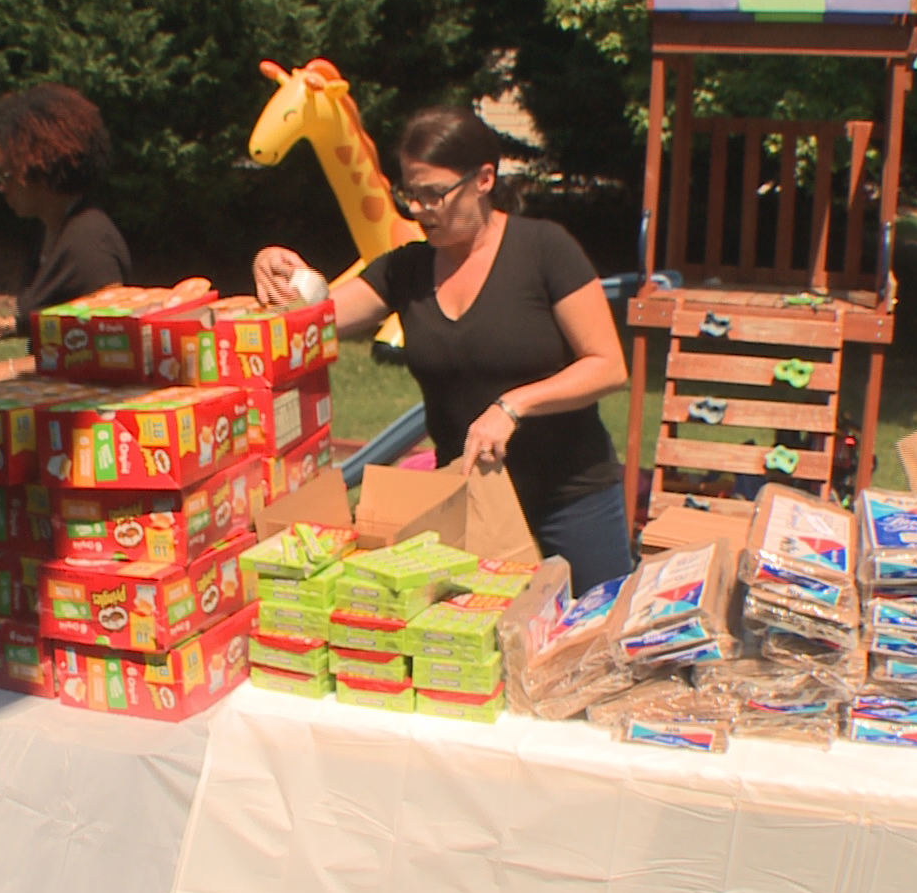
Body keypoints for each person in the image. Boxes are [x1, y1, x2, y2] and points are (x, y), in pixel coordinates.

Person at [253, 106, 632, 594]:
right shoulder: (406, 271)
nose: (418, 209)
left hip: (571, 495)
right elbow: (314, 317)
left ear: (484, 180)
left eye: (434, 194)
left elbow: (607, 367)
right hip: (466, 496)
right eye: (410, 194)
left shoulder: (544, 249)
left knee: (601, 635)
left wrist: (513, 405)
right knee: (465, 651)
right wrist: (279, 269)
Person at [0, 84, 131, 383]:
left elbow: (112, 348)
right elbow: (66, 324)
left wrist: (12, 370)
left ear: (43, 169)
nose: (1, 188)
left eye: (7, 175)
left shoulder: (90, 244)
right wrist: (8, 326)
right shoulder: (50, 227)